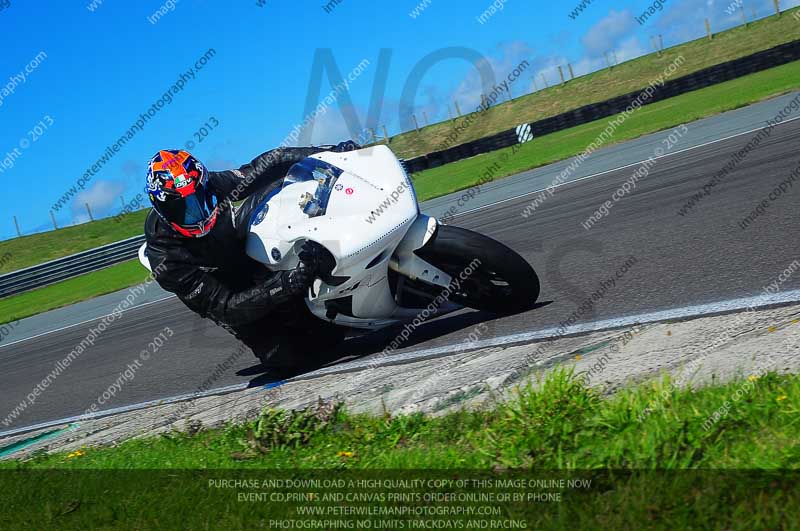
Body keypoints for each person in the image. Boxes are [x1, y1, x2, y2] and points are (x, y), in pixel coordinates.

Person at [143, 141, 359, 373]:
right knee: (290, 358)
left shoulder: (211, 184)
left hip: (240, 248)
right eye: (181, 208)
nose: (195, 213)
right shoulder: (165, 260)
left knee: (283, 186)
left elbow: (267, 164)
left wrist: (329, 153)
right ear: (161, 208)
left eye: (199, 199)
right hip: (229, 292)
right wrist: (285, 284)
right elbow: (225, 308)